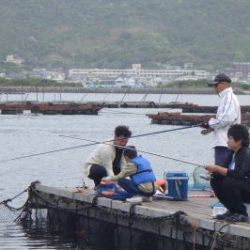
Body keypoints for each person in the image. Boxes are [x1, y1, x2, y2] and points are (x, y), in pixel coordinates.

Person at [205, 124, 250, 222]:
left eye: (230, 138)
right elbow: (223, 171)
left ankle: (241, 213)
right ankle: (232, 210)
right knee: (215, 180)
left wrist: (216, 168)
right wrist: (213, 173)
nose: (227, 141)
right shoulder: (232, 153)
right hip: (243, 186)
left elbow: (239, 174)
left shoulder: (245, 153)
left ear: (239, 141)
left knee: (229, 181)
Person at [201, 73, 241, 166]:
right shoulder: (225, 98)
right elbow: (225, 120)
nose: (215, 88)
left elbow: (227, 119)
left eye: (216, 85)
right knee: (223, 173)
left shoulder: (229, 98)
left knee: (220, 174)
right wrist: (211, 128)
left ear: (224, 84)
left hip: (225, 144)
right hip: (224, 143)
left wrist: (209, 123)